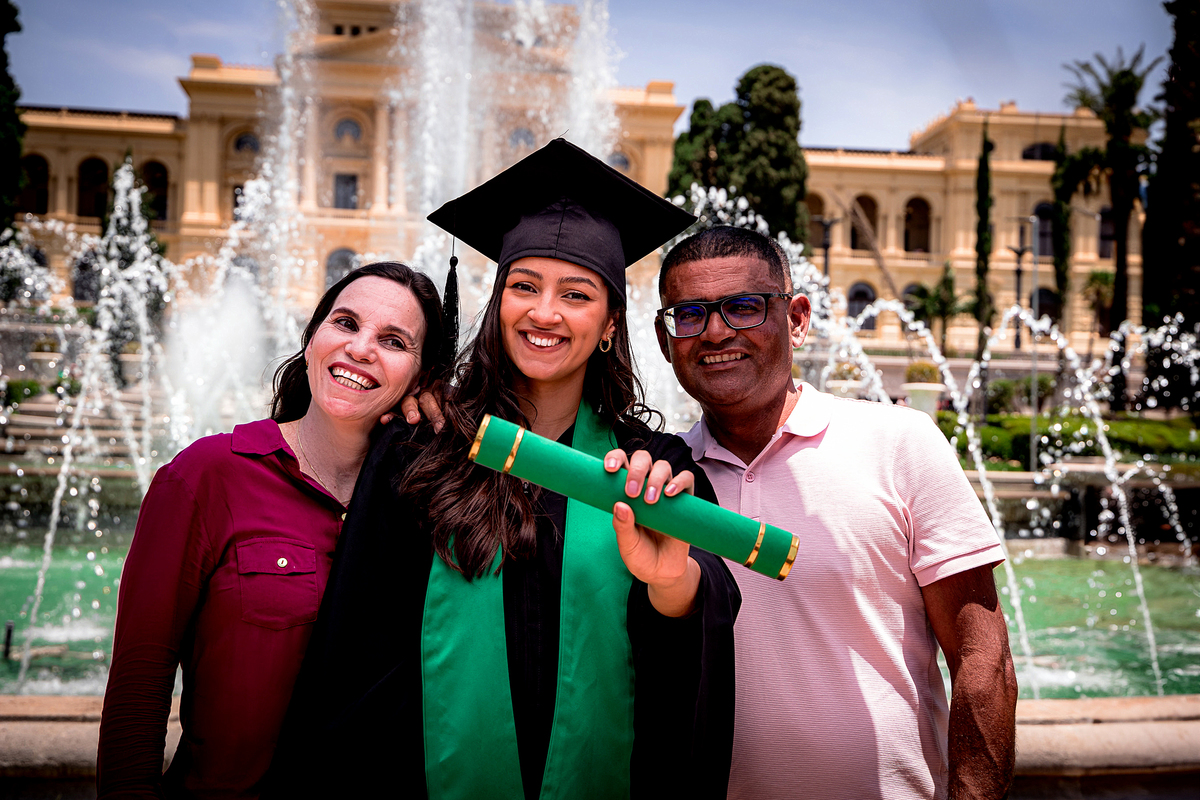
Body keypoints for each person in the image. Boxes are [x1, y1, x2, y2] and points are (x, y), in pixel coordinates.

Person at [272, 139, 740, 800]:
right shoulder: (421, 446)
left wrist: (671, 582)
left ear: (609, 322)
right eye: (524, 286)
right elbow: (359, 654)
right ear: (499, 302)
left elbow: (701, 635)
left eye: (575, 294)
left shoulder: (648, 468)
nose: (544, 313)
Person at [654, 226, 1018, 800]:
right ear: (665, 337)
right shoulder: (659, 480)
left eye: (744, 307)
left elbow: (982, 654)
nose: (716, 331)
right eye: (691, 313)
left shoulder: (899, 441)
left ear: (797, 318)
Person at [97, 262, 447, 799]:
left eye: (394, 341)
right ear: (311, 338)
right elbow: (139, 687)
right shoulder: (208, 476)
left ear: (421, 378)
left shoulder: (430, 502)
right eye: (345, 323)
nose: (359, 349)